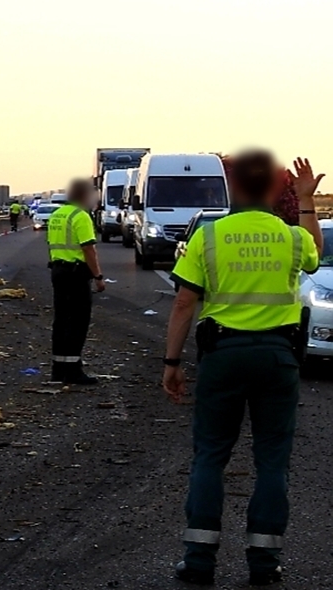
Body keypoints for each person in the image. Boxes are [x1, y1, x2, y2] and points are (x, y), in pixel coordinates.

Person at [163, 152, 324, 587]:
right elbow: (315, 255)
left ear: (232, 188)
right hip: (278, 359)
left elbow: (184, 302)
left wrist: (172, 362)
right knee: (273, 461)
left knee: (211, 456)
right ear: (274, 189)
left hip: (223, 357)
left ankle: (199, 561)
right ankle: (264, 564)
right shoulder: (291, 237)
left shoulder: (211, 236)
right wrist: (306, 202)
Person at [47, 179, 106, 385]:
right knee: (78, 321)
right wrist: (98, 276)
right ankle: (72, 371)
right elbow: (89, 249)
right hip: (76, 273)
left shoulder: (58, 214)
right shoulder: (81, 216)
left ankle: (58, 370)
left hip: (58, 271)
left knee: (62, 320)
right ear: (83, 196)